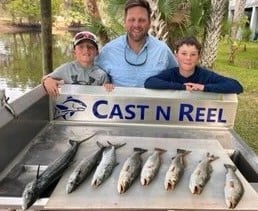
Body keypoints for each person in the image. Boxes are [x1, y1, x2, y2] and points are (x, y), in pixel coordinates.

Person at [96, 0, 178, 88]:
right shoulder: (109, 51)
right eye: (132, 20)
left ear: (149, 22)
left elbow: (178, 78)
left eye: (142, 20)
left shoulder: (163, 51)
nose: (136, 24)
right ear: (125, 21)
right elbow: (92, 77)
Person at [144, 36, 243, 94]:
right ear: (176, 56)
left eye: (193, 54)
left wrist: (204, 88)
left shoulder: (205, 75)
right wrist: (182, 87)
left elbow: (236, 86)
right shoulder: (171, 74)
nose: (188, 58)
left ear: (199, 56)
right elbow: (149, 82)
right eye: (184, 54)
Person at [42, 31, 110, 97]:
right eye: (81, 46)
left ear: (97, 52)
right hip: (70, 106)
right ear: (74, 52)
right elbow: (46, 78)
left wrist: (109, 87)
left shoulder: (102, 74)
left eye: (90, 47)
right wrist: (48, 80)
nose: (86, 49)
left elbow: (108, 93)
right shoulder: (66, 68)